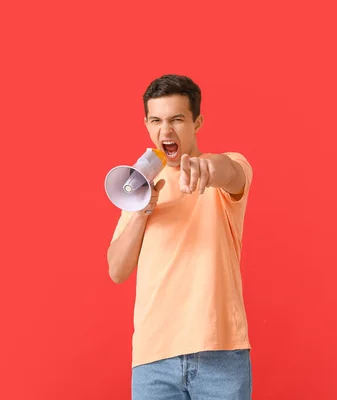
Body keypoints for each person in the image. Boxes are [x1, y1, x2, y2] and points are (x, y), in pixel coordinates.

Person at [107, 74, 253, 399]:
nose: (166, 130)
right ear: (146, 123)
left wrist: (207, 169)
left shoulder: (227, 170)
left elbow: (228, 171)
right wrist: (141, 213)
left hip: (221, 352)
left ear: (197, 122)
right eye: (157, 120)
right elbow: (116, 269)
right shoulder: (138, 189)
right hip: (153, 358)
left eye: (177, 119)